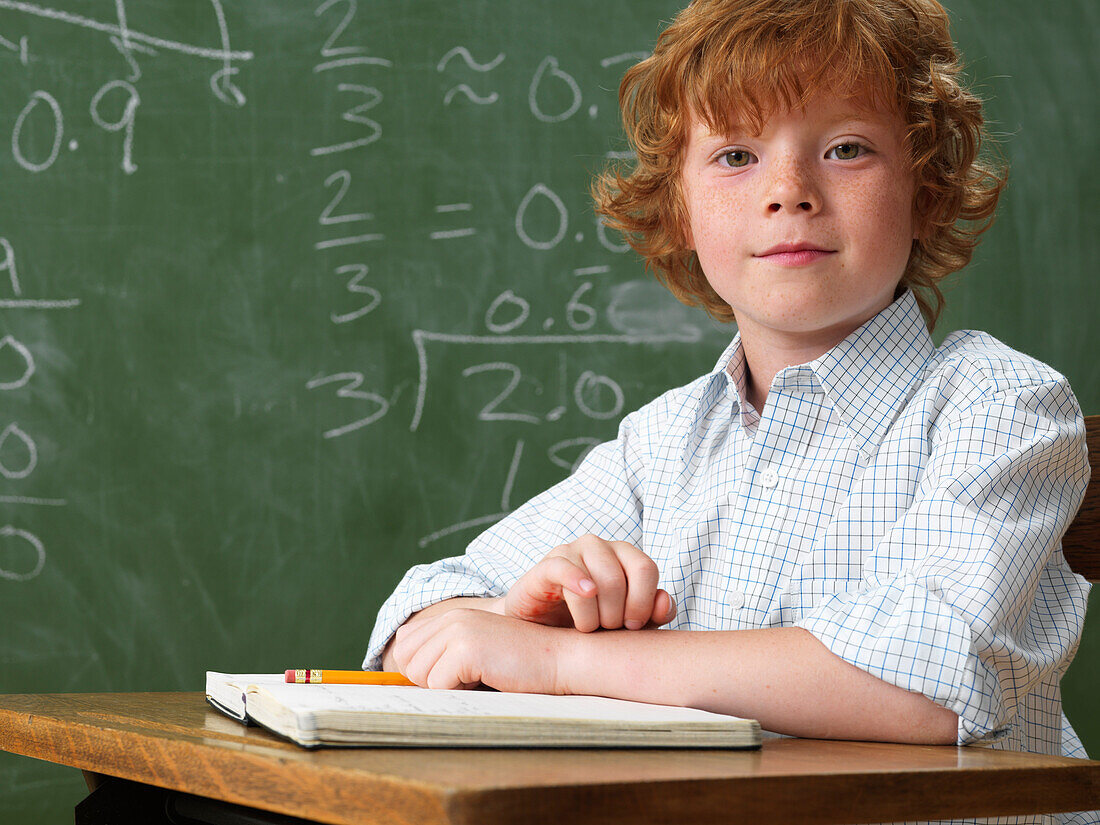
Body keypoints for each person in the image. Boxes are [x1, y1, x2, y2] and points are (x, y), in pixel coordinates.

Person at [365, 0, 1092, 786]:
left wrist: (560, 658)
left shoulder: (998, 403)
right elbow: (420, 616)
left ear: (927, 189)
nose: (789, 190)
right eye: (736, 156)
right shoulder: (666, 443)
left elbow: (927, 680)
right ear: (679, 206)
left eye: (847, 148)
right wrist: (516, 612)